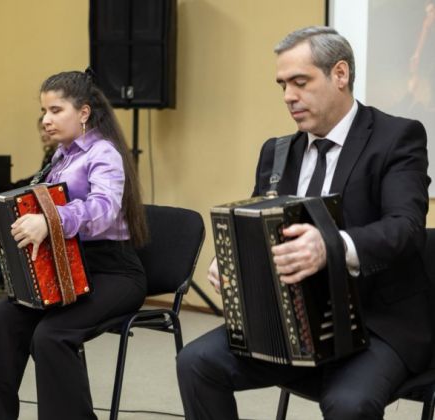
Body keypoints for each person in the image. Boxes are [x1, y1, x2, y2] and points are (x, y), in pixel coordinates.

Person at [176, 26, 432, 420]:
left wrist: (330, 246)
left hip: (376, 323)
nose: (288, 97)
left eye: (300, 82)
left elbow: (406, 228)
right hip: (293, 322)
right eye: (282, 85)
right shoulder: (277, 152)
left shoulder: (396, 138)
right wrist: (231, 266)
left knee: (348, 404)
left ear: (340, 74)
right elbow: (257, 231)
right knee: (195, 363)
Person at [0, 70, 149, 420]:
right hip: (68, 267)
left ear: (83, 113)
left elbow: (104, 210)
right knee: (0, 320)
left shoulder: (104, 153)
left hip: (113, 272)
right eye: (44, 111)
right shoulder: (61, 155)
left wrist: (51, 221)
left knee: (51, 335)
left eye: (55, 110)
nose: (46, 120)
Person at [0, 116, 58, 312]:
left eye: (45, 129)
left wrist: (11, 188)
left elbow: (42, 185)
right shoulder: (51, 154)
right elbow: (36, 180)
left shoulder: (59, 156)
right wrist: (10, 187)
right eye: (40, 130)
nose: (42, 134)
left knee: (8, 235)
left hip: (47, 219)